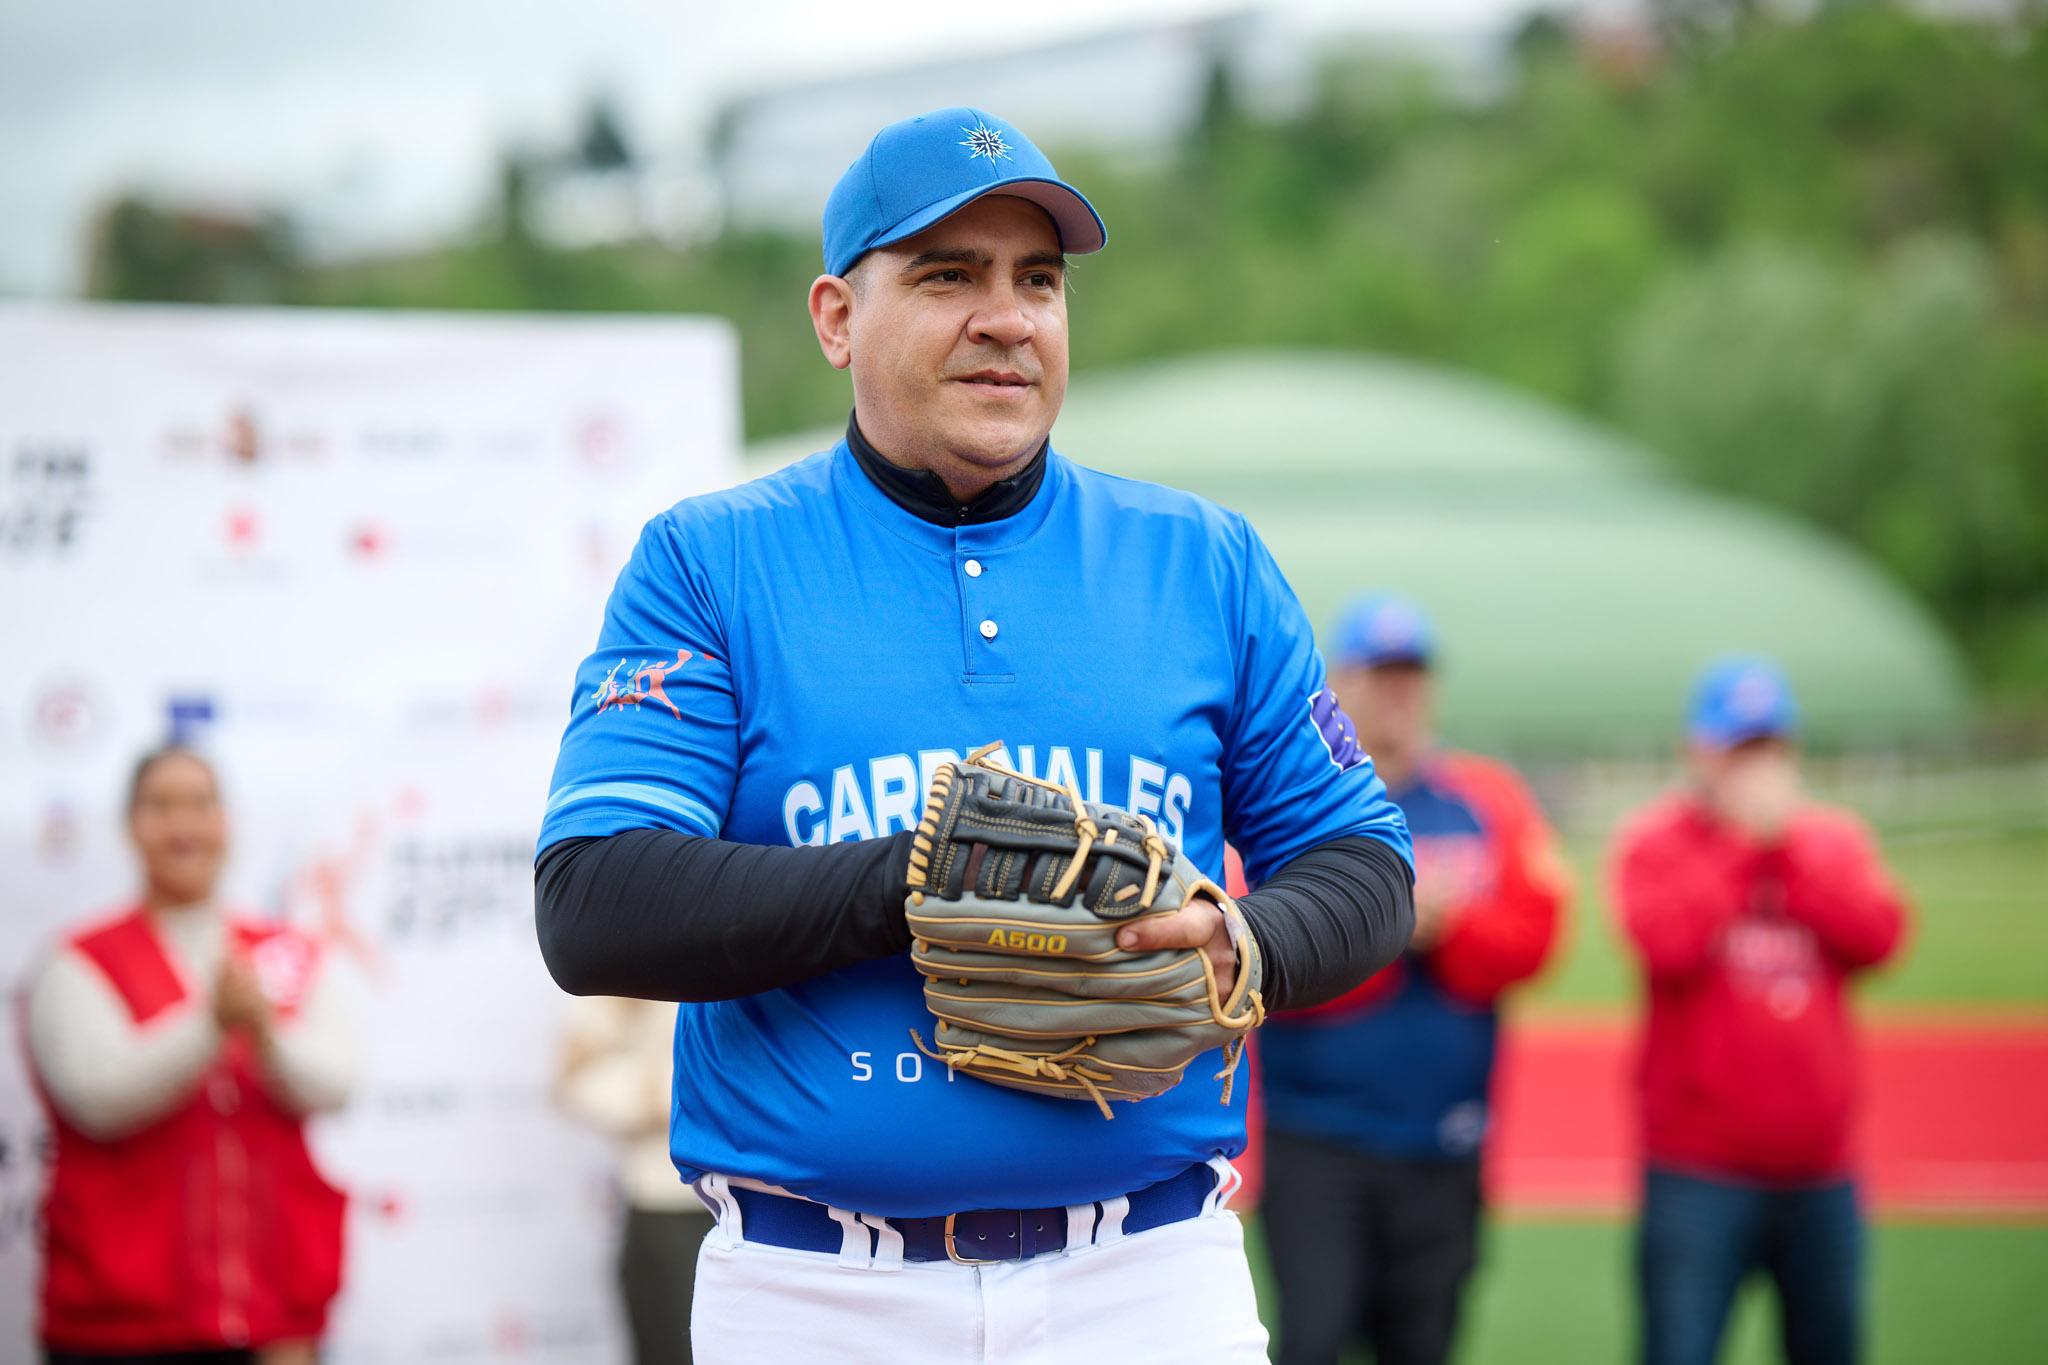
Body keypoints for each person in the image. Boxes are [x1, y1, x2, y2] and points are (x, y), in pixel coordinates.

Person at [532, 107, 1415, 1362]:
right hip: (817, 1293)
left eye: (1036, 280)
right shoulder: (710, 562)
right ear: (836, 318)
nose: (1006, 318)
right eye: (948, 275)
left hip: (1146, 1278)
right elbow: (592, 903)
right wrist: (923, 879)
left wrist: (1242, 940)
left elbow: (1365, 866)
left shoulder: (1200, 561)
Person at [1257, 591, 1570, 1365]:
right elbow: (1261, 964)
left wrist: (1454, 928)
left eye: (1413, 673)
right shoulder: (1296, 803)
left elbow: (1533, 940)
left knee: (1425, 1344)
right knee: (1312, 1341)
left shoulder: (1485, 797)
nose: (1400, 691)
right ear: (1340, 684)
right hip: (1319, 1140)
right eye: (1381, 673)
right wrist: (1386, 927)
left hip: (1445, 1142)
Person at [1610, 656, 1908, 1365]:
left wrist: (1792, 847)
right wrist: (1744, 846)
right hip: (1697, 1168)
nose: (1755, 767)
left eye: (1768, 747)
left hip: (1821, 1168)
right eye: (1738, 748)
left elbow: (1878, 937)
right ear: (1697, 752)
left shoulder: (1828, 839)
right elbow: (1666, 945)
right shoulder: (1657, 841)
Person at [24, 746, 356, 1365]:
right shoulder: (80, 960)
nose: (183, 825)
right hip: (117, 1329)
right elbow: (96, 1096)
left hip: (271, 1323)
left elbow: (336, 1082)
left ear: (225, 820)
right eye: (161, 806)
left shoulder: (287, 952)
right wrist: (211, 1025)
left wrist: (266, 1037)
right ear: (132, 825)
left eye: (200, 804)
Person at [557, 996, 716, 1365]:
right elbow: (576, 1077)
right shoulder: (636, 972)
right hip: (672, 1210)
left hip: (794, 1211)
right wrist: (687, 1088)